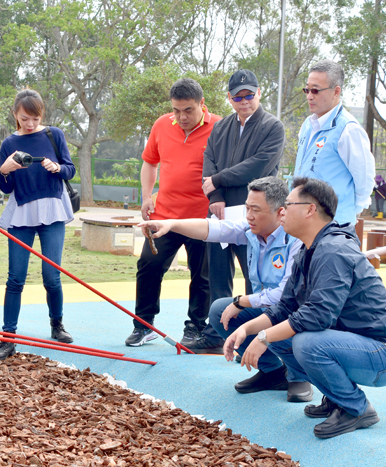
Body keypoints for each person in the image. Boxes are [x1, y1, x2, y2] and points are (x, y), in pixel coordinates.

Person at [225, 177, 386, 439]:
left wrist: (264, 338)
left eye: (288, 204)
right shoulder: (307, 250)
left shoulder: (333, 249)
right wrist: (246, 330)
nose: (282, 210)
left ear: (310, 209)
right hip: (357, 346)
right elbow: (285, 307)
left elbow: (318, 314)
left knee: (305, 342)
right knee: (285, 336)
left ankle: (356, 408)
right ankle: (336, 399)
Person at [139, 176, 310, 402]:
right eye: (247, 208)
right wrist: (170, 224)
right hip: (270, 311)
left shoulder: (296, 239)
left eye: (256, 210)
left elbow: (285, 294)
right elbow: (213, 228)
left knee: (262, 313)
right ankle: (273, 372)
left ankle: (299, 375)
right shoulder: (251, 230)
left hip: (296, 315)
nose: (248, 215)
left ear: (280, 213)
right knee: (220, 311)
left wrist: (242, 301)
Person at [192, 69, 285, 354]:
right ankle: (216, 334)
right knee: (217, 276)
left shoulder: (273, 127)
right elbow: (209, 162)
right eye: (237, 96)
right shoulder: (221, 127)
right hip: (221, 212)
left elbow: (259, 166)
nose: (244, 100)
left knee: (254, 277)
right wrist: (215, 195)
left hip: (254, 214)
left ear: (259, 93)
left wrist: (218, 181)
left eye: (249, 94)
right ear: (229, 98)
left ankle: (260, 339)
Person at [125, 78, 221, 348]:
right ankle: (143, 325)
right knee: (148, 266)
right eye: (176, 110)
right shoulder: (161, 125)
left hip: (202, 219)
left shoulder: (220, 127)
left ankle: (196, 327)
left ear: (202, 104)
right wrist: (146, 196)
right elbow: (149, 162)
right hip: (164, 216)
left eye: (188, 110)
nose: (181, 117)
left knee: (201, 275)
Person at [0, 89, 77, 361]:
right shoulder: (8, 143)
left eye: (35, 118)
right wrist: (4, 170)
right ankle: (9, 338)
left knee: (52, 276)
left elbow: (70, 169)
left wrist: (57, 168)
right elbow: (4, 186)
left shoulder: (54, 135)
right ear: (15, 114)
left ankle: (57, 325)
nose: (30, 124)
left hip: (52, 210)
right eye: (25, 118)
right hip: (22, 214)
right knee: (15, 278)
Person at [294, 60, 375, 225]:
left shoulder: (348, 130)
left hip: (334, 226)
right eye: (307, 89)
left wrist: (348, 213)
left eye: (315, 90)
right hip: (303, 223)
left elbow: (364, 181)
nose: (309, 96)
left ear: (336, 91)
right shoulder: (307, 125)